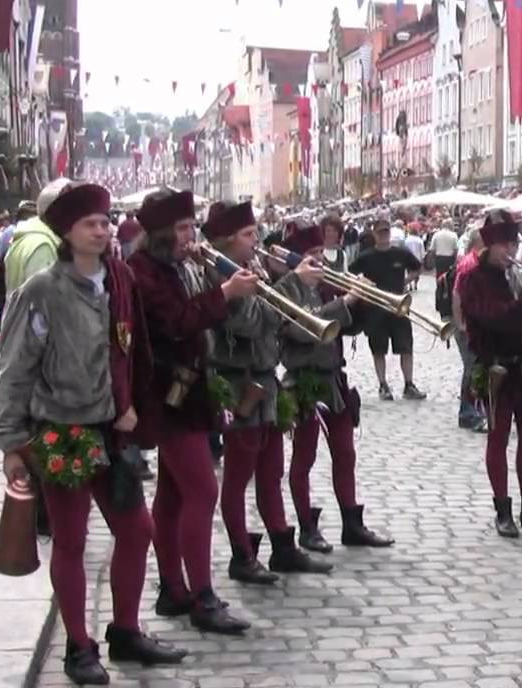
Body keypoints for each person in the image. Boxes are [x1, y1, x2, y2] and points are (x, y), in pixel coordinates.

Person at [0, 183, 187, 685]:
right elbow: (15, 369)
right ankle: (79, 647)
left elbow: (135, 350)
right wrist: (12, 443)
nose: (102, 230)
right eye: (91, 224)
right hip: (63, 430)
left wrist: (133, 409)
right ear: (67, 232)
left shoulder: (119, 279)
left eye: (105, 222)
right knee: (72, 539)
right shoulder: (43, 291)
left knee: (136, 530)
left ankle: (125, 629)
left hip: (112, 428)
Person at [128, 188, 255, 634]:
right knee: (203, 492)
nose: (190, 236)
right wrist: (224, 291)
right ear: (162, 232)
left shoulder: (175, 265)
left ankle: (172, 588)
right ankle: (202, 595)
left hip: (189, 389)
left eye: (190, 227)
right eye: (182, 228)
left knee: (174, 495)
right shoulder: (143, 272)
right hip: (167, 393)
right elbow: (176, 321)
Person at [202, 201, 333, 583]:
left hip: (266, 381)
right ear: (226, 240)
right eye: (247, 234)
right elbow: (253, 323)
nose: (255, 239)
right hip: (240, 384)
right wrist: (292, 283)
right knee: (239, 475)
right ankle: (242, 555)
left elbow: (274, 323)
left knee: (271, 471)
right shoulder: (219, 276)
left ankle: (282, 546)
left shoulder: (249, 269)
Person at [274, 226, 394, 552]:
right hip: (304, 380)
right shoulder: (286, 290)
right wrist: (347, 300)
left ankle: (352, 524)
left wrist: (364, 302)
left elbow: (348, 327)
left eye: (318, 255)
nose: (318, 262)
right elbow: (305, 327)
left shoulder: (324, 287)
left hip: (334, 379)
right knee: (304, 458)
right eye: (311, 256)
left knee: (346, 454)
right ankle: (307, 527)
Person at [460, 209, 522, 539]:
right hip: (496, 367)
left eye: (513, 244)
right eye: (504, 245)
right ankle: (503, 509)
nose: (510, 252)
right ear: (489, 245)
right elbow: (493, 318)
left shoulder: (517, 274)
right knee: (498, 438)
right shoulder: (474, 277)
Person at [349, 219, 425, 400]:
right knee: (379, 349)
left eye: (386, 232)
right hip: (375, 309)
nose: (384, 235)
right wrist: (363, 287)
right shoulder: (366, 256)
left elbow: (417, 268)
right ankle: (383, 385)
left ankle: (409, 384)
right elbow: (350, 274)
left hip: (398, 307)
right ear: (374, 234)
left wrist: (405, 283)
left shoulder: (400, 253)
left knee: (406, 347)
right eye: (380, 232)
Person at [451, 230, 488, 432]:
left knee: (476, 366)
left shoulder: (478, 261)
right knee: (472, 367)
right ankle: (467, 412)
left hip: (475, 324)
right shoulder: (469, 263)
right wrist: (461, 323)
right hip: (467, 324)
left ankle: (476, 409)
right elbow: (457, 294)